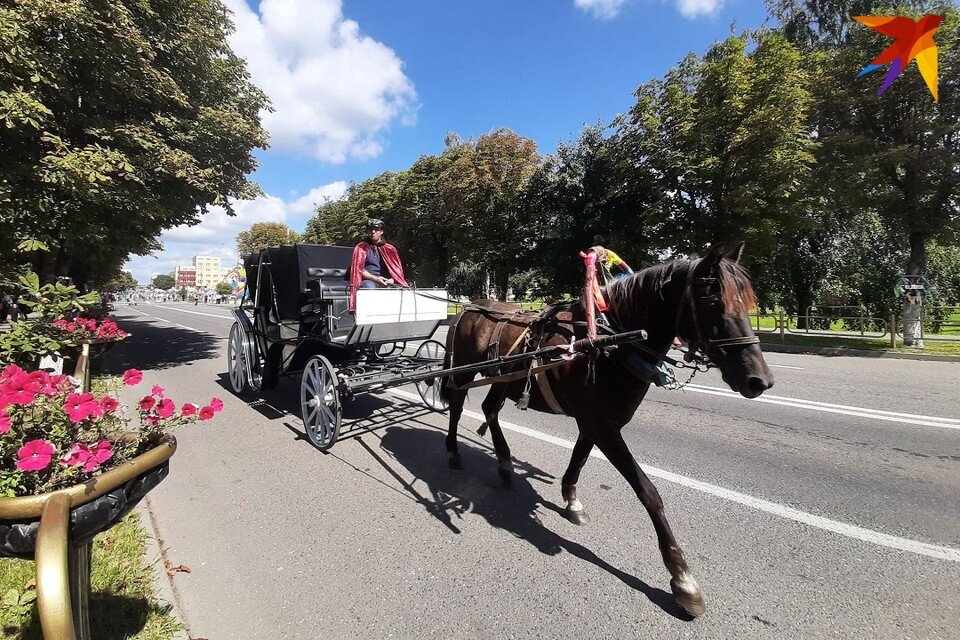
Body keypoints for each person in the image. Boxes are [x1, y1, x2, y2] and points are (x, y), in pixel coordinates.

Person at [349, 218, 408, 312]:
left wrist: (392, 280)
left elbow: (396, 271)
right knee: (370, 288)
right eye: (370, 229)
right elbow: (359, 269)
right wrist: (375, 279)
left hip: (387, 281)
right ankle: (370, 317)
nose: (373, 232)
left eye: (376, 229)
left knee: (403, 291)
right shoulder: (361, 247)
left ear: (381, 231)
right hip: (368, 280)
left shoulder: (390, 249)